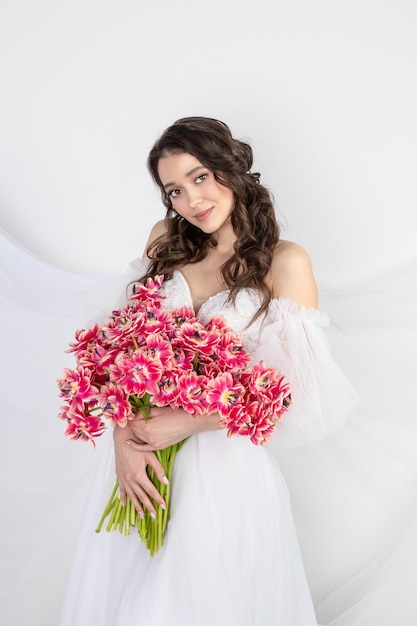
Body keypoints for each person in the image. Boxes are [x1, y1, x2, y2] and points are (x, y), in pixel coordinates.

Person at [59, 117, 358, 626]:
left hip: (223, 470)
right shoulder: (165, 241)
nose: (191, 200)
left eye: (200, 177)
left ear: (231, 168)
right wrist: (122, 441)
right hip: (141, 463)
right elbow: (119, 351)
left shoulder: (284, 262)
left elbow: (294, 392)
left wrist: (186, 422)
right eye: (174, 189)